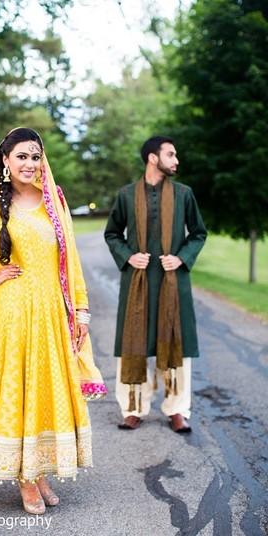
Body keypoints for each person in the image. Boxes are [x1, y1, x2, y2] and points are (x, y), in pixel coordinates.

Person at [0, 127, 106, 515]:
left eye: (35, 156)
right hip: (12, 317)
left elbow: (72, 263)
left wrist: (80, 310)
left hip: (51, 316)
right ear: (6, 162)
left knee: (44, 392)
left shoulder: (54, 202)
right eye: (22, 157)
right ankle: (26, 481)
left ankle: (38, 471)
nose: (30, 163)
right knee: (18, 392)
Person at [104, 135, 207, 433]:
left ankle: (177, 410)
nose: (176, 161)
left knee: (176, 342)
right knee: (133, 344)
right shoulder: (125, 195)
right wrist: (128, 256)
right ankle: (134, 408)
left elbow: (198, 233)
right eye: (171, 154)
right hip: (137, 283)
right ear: (153, 157)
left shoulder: (184, 194)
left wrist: (181, 258)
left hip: (173, 282)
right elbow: (112, 234)